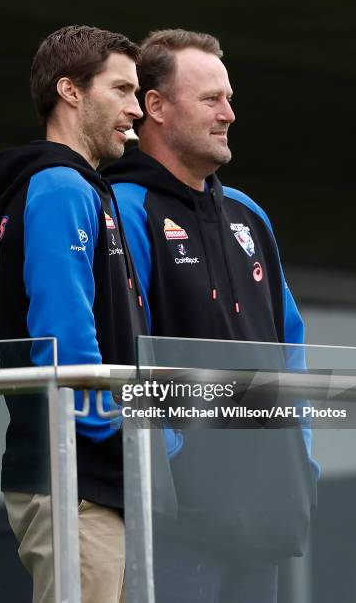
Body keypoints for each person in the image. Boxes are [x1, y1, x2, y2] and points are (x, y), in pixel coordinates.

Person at [105, 29, 317, 603]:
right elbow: (119, 350)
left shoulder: (248, 214)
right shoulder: (123, 211)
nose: (229, 113)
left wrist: (302, 454)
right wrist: (175, 461)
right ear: (155, 107)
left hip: (265, 510)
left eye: (228, 97)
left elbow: (288, 343)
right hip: (179, 521)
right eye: (210, 100)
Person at [0, 25, 165, 603]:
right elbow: (64, 340)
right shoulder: (60, 185)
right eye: (123, 90)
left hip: (97, 480)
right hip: (78, 480)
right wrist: (117, 436)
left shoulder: (83, 186)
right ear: (70, 90)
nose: (137, 110)